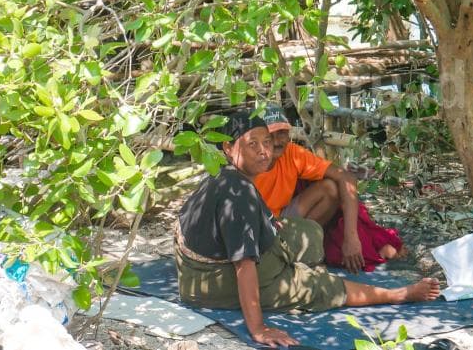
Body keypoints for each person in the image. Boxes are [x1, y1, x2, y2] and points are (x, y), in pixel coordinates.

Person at [175, 110, 440, 348]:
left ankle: (291, 270)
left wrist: (271, 226)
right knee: (317, 286)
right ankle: (398, 294)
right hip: (210, 280)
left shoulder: (229, 173)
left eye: (266, 142)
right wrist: (259, 329)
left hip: (201, 268)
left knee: (310, 234)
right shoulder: (238, 193)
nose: (264, 150)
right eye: (252, 144)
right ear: (228, 148)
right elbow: (244, 266)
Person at [256, 105, 404, 273]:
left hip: (284, 218)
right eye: (270, 135)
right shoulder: (249, 160)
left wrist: (351, 237)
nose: (276, 141)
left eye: (281, 133)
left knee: (331, 189)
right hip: (257, 224)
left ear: (289, 134)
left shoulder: (293, 153)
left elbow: (346, 177)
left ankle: (301, 249)